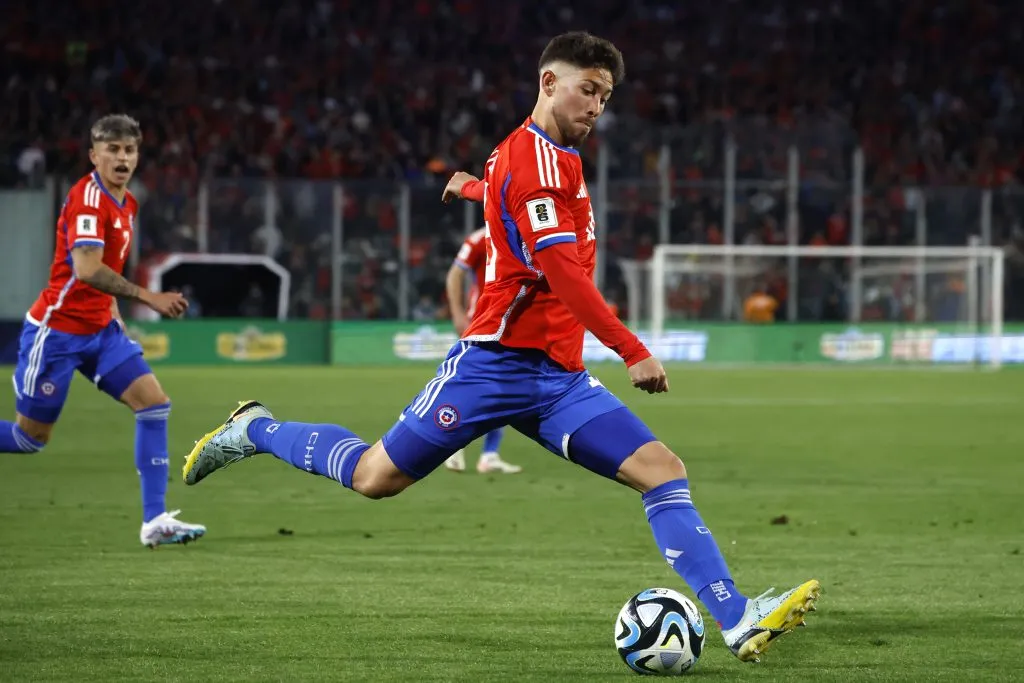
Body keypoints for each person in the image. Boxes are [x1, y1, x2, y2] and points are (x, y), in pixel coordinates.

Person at [182, 32, 818, 663]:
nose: (597, 106)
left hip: (558, 378)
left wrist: (472, 189)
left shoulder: (548, 157)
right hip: (493, 364)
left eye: (605, 96)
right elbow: (562, 272)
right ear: (549, 83)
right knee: (375, 477)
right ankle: (255, 429)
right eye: (588, 90)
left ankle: (737, 617)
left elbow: (510, 200)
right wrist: (630, 349)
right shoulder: (537, 161)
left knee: (662, 471)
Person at [1, 114, 206, 548]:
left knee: (154, 404)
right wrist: (147, 296)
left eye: (129, 150)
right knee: (28, 439)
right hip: (57, 332)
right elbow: (87, 268)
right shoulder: (88, 199)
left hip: (100, 331)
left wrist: (112, 309)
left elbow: (105, 269)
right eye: (112, 149)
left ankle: (155, 521)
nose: (122, 157)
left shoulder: (127, 203)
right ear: (94, 156)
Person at [443, 227, 521, 474]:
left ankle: (488, 454)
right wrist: (457, 313)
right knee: (476, 384)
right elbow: (455, 274)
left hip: (511, 322)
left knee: (503, 386)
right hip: (482, 321)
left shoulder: (523, 231)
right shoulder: (479, 238)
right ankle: (453, 445)